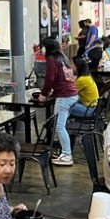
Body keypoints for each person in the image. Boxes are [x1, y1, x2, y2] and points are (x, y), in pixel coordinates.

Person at [39, 38, 79, 166]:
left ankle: (67, 155)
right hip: (72, 94)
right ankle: (64, 152)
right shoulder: (62, 58)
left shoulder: (51, 59)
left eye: (42, 46)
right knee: (61, 125)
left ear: (48, 47)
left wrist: (43, 94)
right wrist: (53, 92)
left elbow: (49, 78)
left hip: (64, 97)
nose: (41, 49)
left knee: (59, 126)